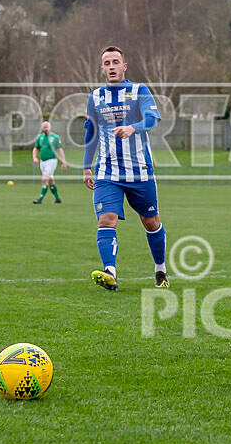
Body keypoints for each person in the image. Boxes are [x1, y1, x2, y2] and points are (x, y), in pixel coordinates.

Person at [83, 45, 169, 290]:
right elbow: (91, 132)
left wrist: (134, 127)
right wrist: (86, 167)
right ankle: (110, 272)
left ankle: (160, 270)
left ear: (124, 66)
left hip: (139, 170)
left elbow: (152, 119)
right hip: (106, 172)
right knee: (106, 218)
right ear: (102, 68)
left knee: (151, 221)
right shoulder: (95, 97)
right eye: (107, 63)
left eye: (115, 62)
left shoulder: (138, 90)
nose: (111, 67)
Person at [32, 121, 68, 204]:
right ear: (42, 128)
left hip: (51, 161)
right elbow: (36, 148)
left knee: (44, 179)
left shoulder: (55, 137)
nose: (46, 128)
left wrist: (63, 161)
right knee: (50, 181)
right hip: (42, 161)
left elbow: (60, 150)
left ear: (50, 127)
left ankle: (40, 199)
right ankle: (58, 199)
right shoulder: (40, 137)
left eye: (47, 127)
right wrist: (34, 158)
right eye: (44, 127)